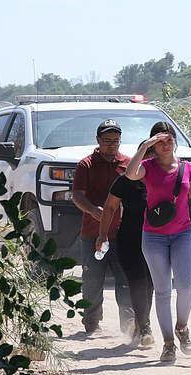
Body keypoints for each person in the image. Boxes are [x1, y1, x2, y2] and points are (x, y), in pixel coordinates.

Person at [125, 121, 191, 363]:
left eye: (169, 139)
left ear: (175, 141)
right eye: (159, 141)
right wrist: (144, 147)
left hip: (183, 234)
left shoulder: (186, 169)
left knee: (186, 287)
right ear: (153, 145)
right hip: (153, 237)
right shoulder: (147, 167)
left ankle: (182, 328)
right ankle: (168, 343)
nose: (166, 144)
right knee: (163, 292)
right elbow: (130, 173)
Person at [72, 119, 134, 336]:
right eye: (107, 140)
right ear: (98, 140)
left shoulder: (127, 164)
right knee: (92, 280)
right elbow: (77, 196)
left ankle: (129, 324)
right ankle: (92, 322)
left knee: (125, 279)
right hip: (92, 234)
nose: (111, 145)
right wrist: (91, 209)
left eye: (115, 141)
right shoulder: (85, 165)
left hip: (121, 235)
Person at [97, 141, 155, 348]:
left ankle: (140, 326)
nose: (150, 160)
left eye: (153, 156)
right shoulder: (126, 181)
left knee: (150, 284)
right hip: (129, 241)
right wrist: (102, 235)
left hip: (155, 241)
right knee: (138, 280)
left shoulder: (162, 180)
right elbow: (110, 207)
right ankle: (146, 329)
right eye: (145, 156)